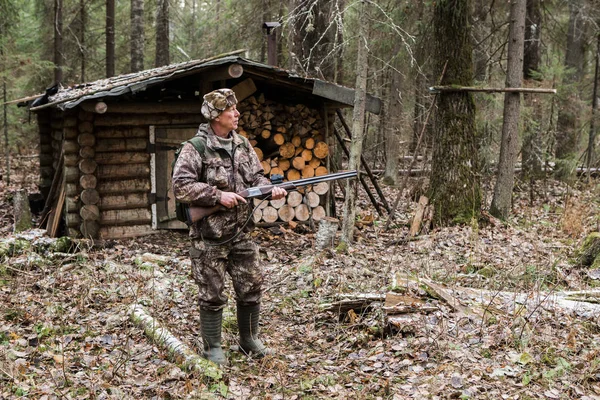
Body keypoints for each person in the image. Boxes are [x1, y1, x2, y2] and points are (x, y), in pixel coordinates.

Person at [172, 88, 286, 365]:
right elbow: (180, 186)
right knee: (211, 293)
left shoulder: (243, 145)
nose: (237, 113)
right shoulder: (195, 148)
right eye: (230, 110)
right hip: (209, 237)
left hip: (242, 231)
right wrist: (217, 196)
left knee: (251, 286)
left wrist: (269, 190)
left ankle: (249, 340)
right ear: (215, 116)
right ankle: (212, 348)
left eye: (235, 109)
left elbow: (256, 177)